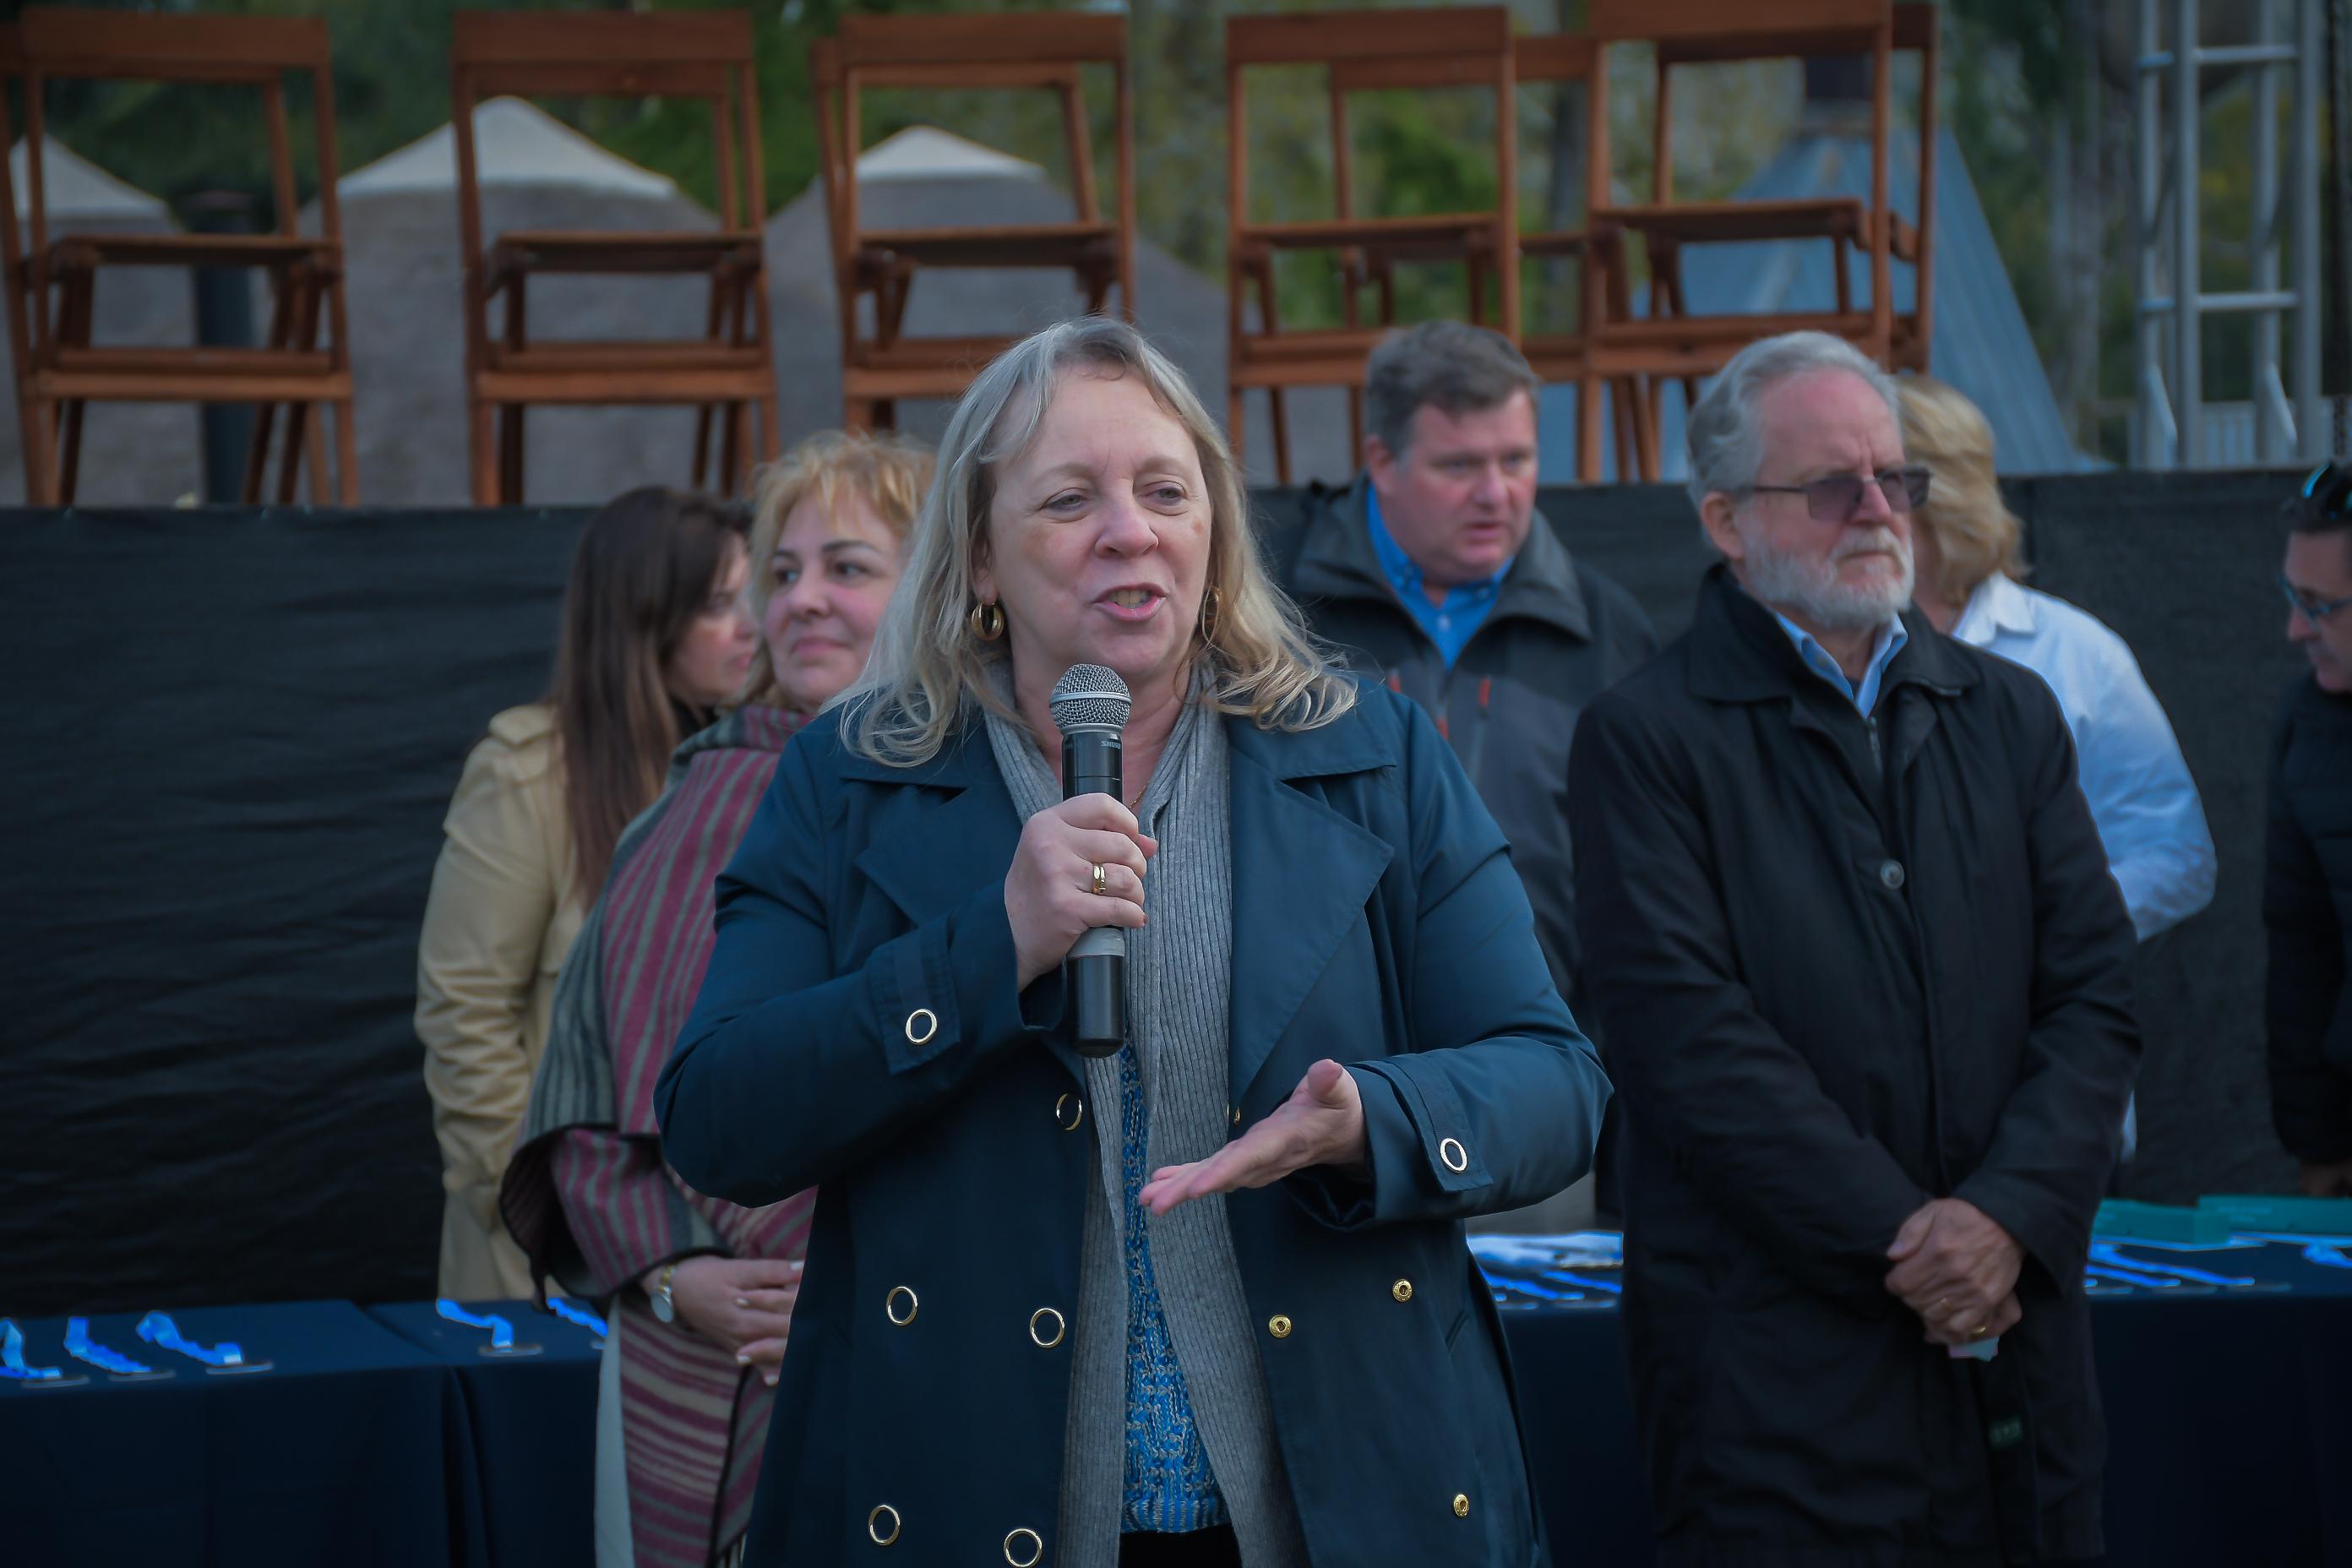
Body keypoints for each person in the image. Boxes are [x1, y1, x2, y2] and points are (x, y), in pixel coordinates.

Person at [656, 317, 1611, 1568]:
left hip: (1345, 1501)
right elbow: (718, 1117)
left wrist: (1373, 1119)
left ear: (1212, 531)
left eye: (1166, 489)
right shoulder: (852, 781)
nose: (1130, 528)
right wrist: (990, 949)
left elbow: (1557, 1082)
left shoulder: (1369, 752)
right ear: (982, 560)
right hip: (971, 1493)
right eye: (1068, 499)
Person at [1566, 330, 2139, 1566]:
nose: (1880, 510)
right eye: (1835, 485)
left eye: (1898, 480)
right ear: (1726, 519)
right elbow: (1688, 1047)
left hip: (2017, 1374)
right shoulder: (1646, 740)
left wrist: (2006, 1219)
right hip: (1779, 1392)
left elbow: (2095, 998)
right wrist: (1913, 1243)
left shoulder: (2009, 714)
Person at [498, 434, 932, 1568]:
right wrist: (678, 1274)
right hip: (698, 1357)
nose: (804, 602)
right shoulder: (697, 799)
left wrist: (856, 1286)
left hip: (926, 1353)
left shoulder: (1006, 809)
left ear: (941, 579)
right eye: (778, 575)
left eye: (848, 567)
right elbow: (586, 1104)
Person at [416, 487, 755, 1299]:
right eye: (719, 605)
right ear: (645, 619)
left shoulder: (751, 766)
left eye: (757, 595)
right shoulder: (527, 772)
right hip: (549, 1268)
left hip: (705, 1257)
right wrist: (545, 1208)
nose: (755, 624)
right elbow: (463, 1013)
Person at [1273, 320, 1656, 1004]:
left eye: (1516, 460)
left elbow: (1651, 881)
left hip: (1548, 1061)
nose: (1496, 493)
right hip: (1337, 1064)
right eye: (1459, 466)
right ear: (1382, 461)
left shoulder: (1609, 632)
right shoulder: (1277, 622)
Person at [1898, 374, 2215, 1159]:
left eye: (1878, 481)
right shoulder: (1832, 651)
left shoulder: (2075, 654)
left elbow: (2180, 856)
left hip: (2046, 1102)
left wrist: (2044, 925)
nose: (1851, 511)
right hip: (1873, 1110)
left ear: (1937, 493)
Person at [2267, 460, 2352, 1196]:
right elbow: (2303, 949)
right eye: (2293, 597)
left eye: (2320, 606)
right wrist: (2319, 1147)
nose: (2297, 627)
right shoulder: (2310, 723)